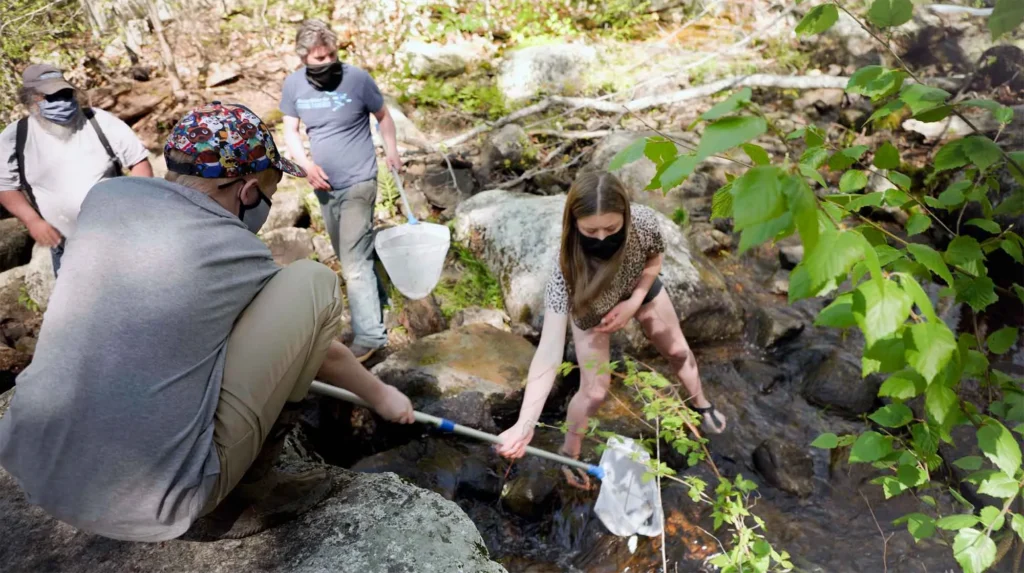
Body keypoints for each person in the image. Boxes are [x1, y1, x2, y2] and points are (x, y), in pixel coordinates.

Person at [0, 102, 415, 543]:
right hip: (155, 506)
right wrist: (381, 395)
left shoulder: (103, 200)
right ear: (248, 191)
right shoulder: (237, 252)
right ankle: (253, 485)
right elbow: (320, 347)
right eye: (271, 191)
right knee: (313, 282)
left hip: (31, 462)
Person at [495, 171, 728, 489]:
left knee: (677, 351)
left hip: (639, 291)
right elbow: (548, 352)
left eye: (612, 228)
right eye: (591, 230)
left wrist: (633, 302)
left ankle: (700, 402)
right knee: (593, 392)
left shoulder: (643, 222)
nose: (603, 238)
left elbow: (654, 261)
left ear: (626, 218)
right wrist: (525, 422)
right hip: (591, 312)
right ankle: (570, 451)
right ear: (574, 223)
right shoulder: (565, 271)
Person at [279, 19, 402, 363]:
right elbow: (290, 130)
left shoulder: (357, 79)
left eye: (331, 54)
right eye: (319, 58)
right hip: (324, 184)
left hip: (360, 179)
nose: (327, 62)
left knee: (352, 259)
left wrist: (391, 150)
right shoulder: (294, 86)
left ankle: (370, 335)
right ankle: (379, 304)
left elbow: (384, 117)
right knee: (351, 253)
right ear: (304, 57)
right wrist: (305, 165)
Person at [0, 63, 153, 275]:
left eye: (65, 93)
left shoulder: (99, 121)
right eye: (50, 97)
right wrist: (32, 221)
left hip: (120, 234)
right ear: (30, 98)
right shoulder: (15, 137)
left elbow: (139, 161)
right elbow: (6, 186)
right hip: (66, 246)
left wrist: (137, 203)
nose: (61, 102)